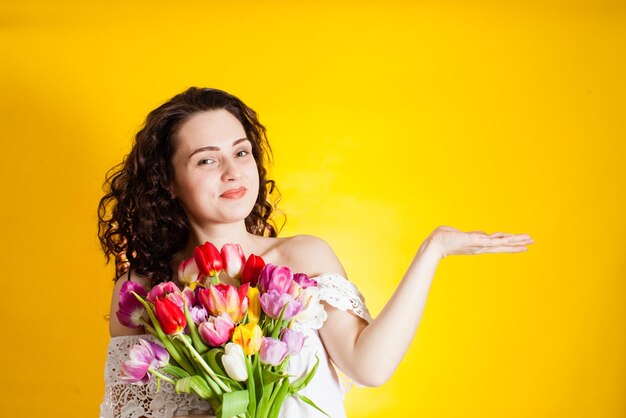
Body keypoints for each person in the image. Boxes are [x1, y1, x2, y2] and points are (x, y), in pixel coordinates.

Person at [98, 87, 534, 418]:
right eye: (206, 160)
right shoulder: (143, 294)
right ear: (168, 182)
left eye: (242, 152)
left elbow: (369, 366)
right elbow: (130, 411)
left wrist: (433, 249)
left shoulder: (298, 262)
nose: (233, 171)